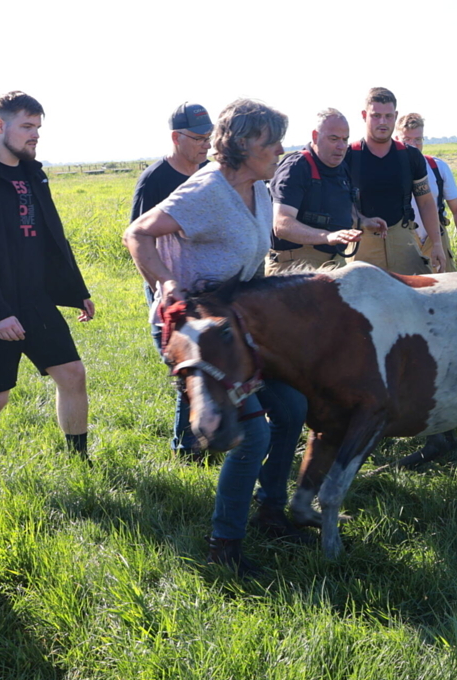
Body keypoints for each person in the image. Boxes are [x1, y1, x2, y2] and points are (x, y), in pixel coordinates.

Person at [123, 98, 310, 577]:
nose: (279, 150)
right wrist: (166, 283)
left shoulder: (262, 191)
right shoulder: (206, 191)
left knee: (291, 409)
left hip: (234, 326)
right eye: (271, 141)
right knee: (253, 433)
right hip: (194, 328)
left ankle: (270, 510)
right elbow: (138, 234)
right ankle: (223, 546)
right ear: (243, 143)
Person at [0, 91, 95, 458]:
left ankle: (79, 461)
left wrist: (76, 289)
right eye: (27, 126)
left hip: (35, 300)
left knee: (72, 374)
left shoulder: (34, 174)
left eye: (38, 127)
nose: (35, 134)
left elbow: (53, 237)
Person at [130, 102, 213, 458]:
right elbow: (135, 237)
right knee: (186, 368)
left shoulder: (210, 173)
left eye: (209, 138)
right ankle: (187, 448)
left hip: (207, 286)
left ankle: (210, 436)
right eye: (197, 138)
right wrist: (158, 291)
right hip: (169, 289)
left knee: (212, 365)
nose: (205, 145)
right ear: (176, 138)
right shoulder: (155, 180)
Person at [266, 108, 383, 274]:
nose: (341, 146)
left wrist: (363, 221)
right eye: (334, 139)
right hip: (294, 267)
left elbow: (342, 207)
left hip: (334, 264)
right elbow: (282, 225)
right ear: (315, 136)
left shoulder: (341, 167)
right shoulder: (297, 167)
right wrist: (327, 237)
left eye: (345, 139)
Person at [345, 87, 447, 275]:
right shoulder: (349, 156)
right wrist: (361, 220)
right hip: (361, 242)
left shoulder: (410, 156)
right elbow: (338, 201)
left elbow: (425, 202)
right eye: (376, 116)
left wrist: (437, 245)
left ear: (396, 115)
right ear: (364, 115)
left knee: (417, 296)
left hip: (403, 239)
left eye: (388, 116)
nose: (382, 122)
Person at [394, 113, 457, 272]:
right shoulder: (387, 169)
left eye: (418, 139)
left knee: (446, 289)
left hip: (436, 239)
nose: (413, 145)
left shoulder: (438, 167)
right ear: (396, 139)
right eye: (407, 139)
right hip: (403, 239)